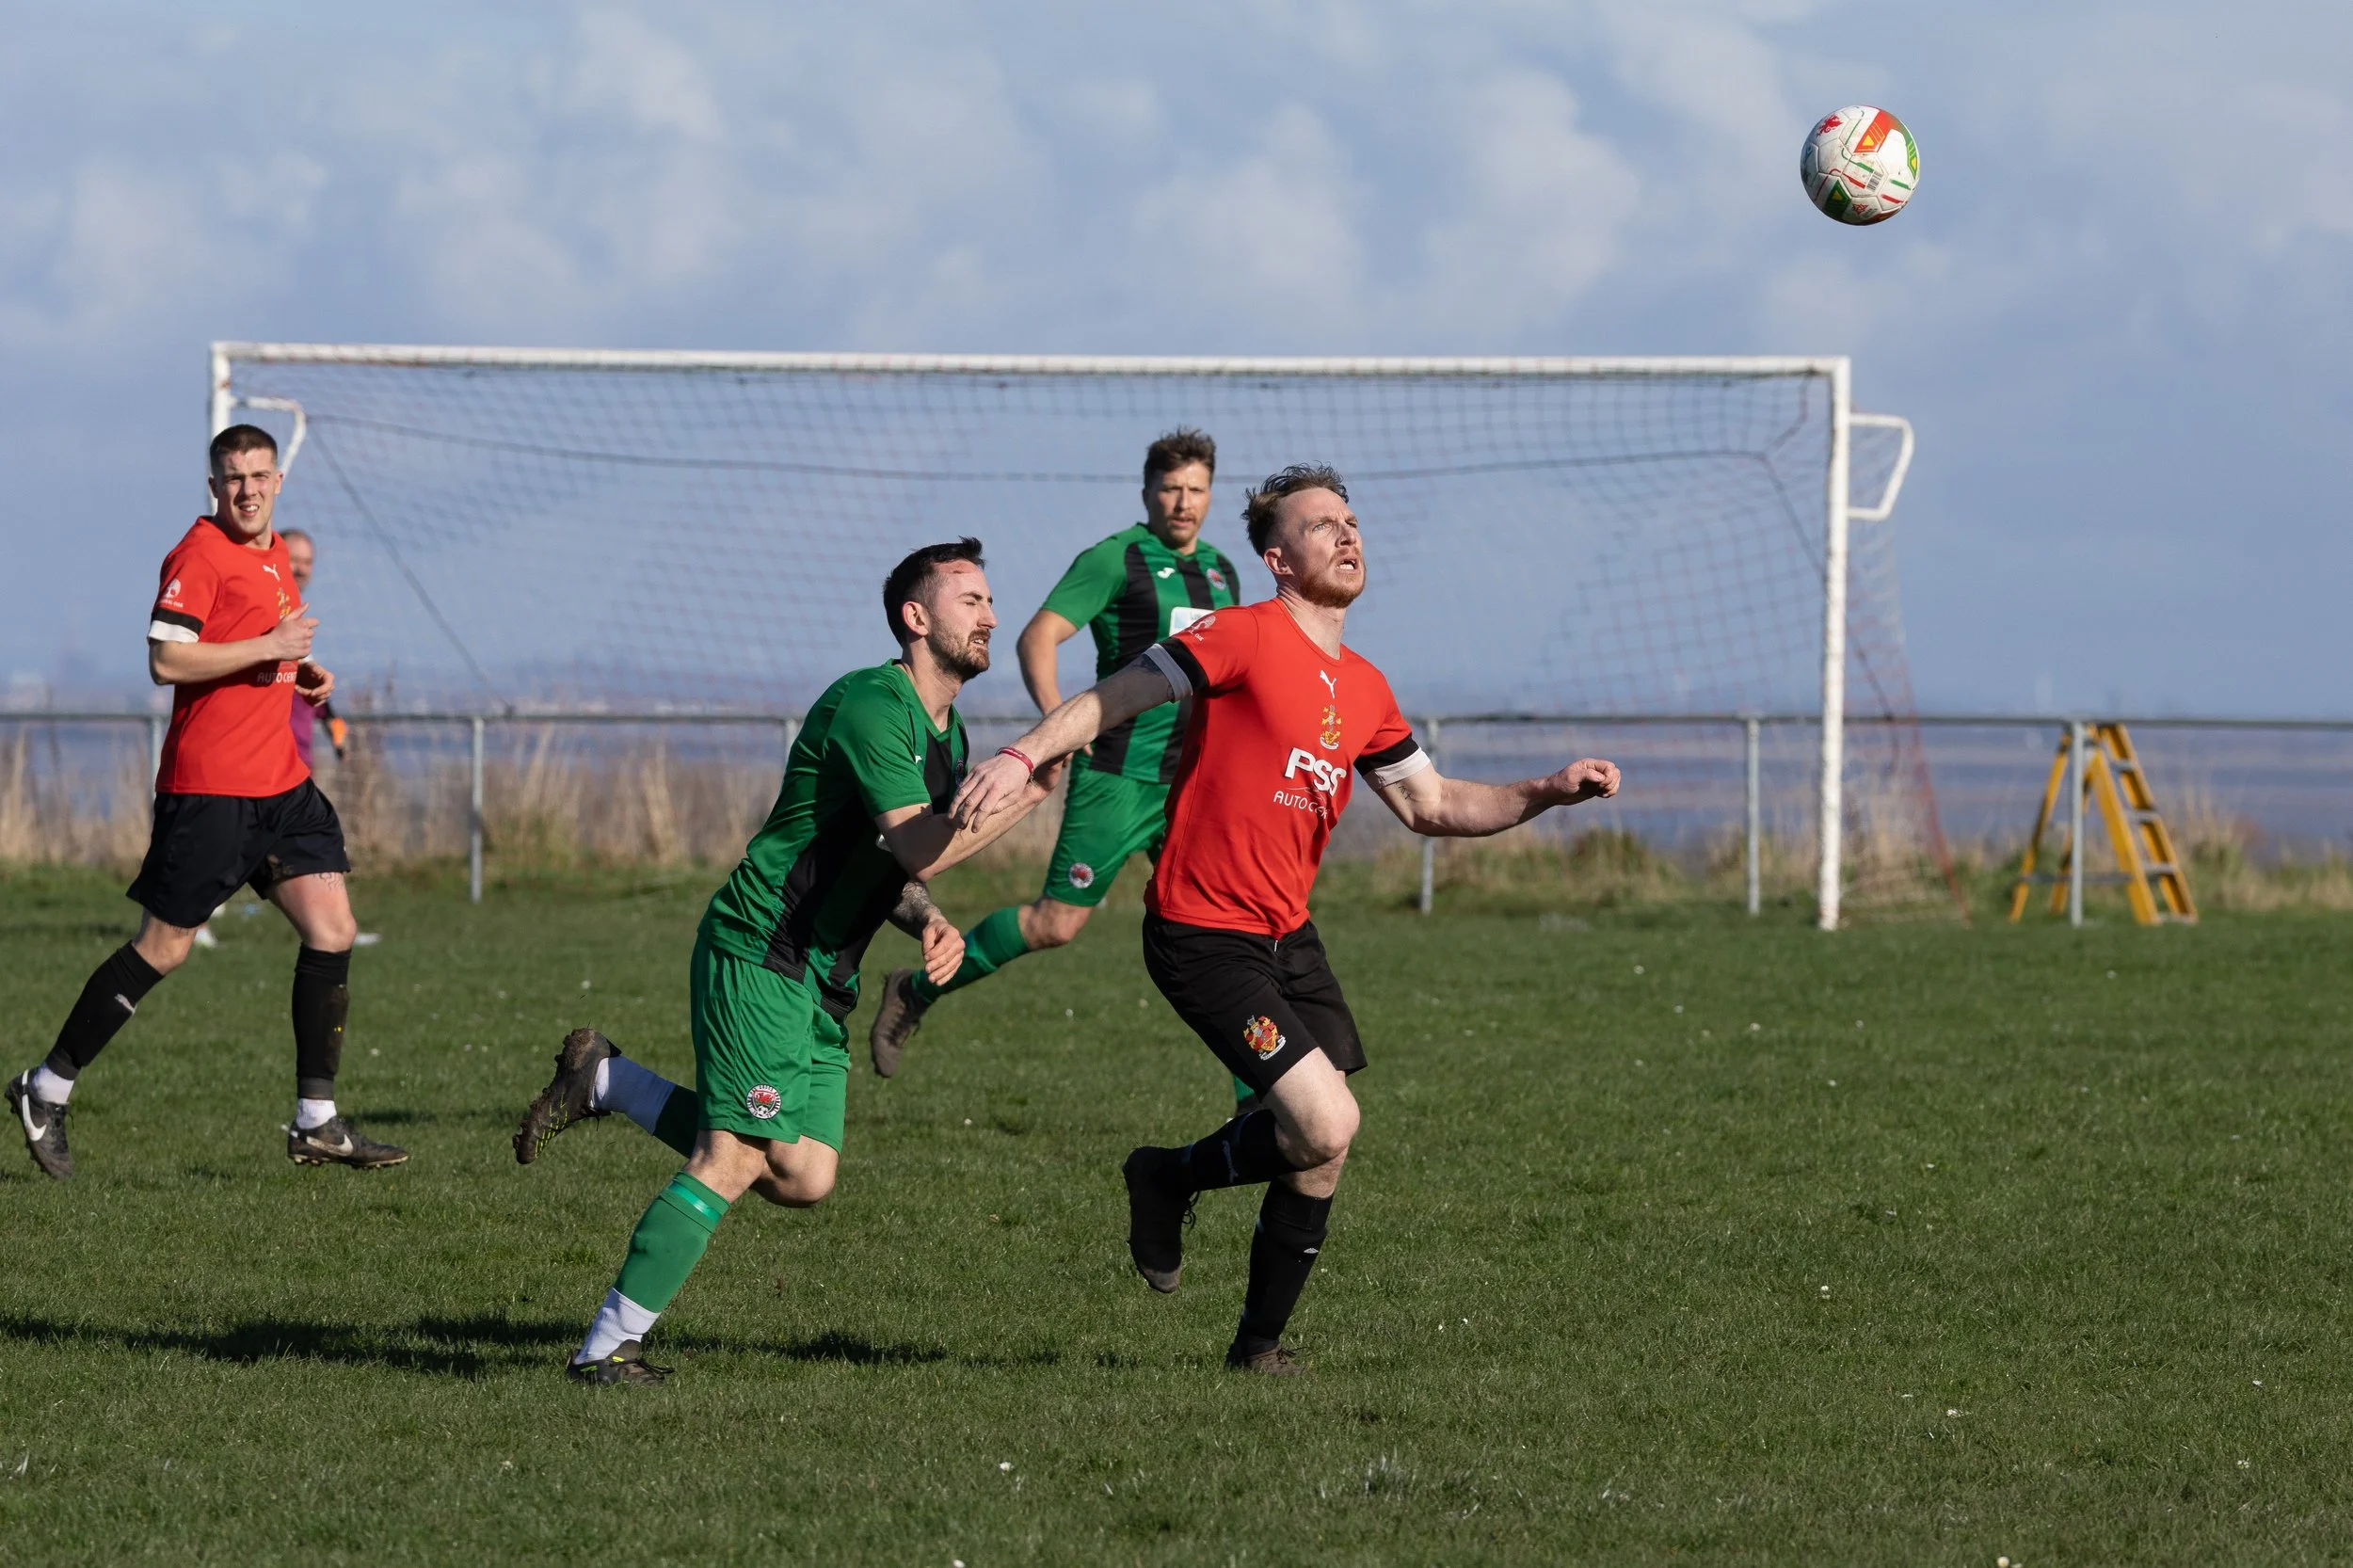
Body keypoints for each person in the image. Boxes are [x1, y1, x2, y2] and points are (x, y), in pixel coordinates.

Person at [952, 465, 1621, 1374]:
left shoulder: (1369, 688)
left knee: (1321, 1146)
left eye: (1351, 521)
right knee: (1326, 1121)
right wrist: (1021, 754)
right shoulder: (1239, 636)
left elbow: (1430, 805)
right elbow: (1113, 697)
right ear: (1277, 559)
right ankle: (1170, 1178)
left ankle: (1253, 1347)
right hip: (1201, 931)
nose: (1347, 535)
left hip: (1286, 933)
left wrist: (1545, 791)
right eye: (1320, 526)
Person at [512, 538, 1060, 1384]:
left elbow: (892, 860)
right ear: (916, 619)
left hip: (819, 977)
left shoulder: (944, 737)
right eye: (970, 600)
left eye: (992, 600)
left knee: (803, 1173)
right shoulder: (874, 704)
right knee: (731, 1158)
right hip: (765, 948)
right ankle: (605, 1349)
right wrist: (1026, 790)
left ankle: (607, 1081)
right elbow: (921, 841)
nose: (991, 615)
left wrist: (929, 921)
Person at [7, 425, 406, 1178]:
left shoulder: (275, 552)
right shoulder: (199, 554)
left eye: (258, 476)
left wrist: (304, 672)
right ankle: (46, 1086)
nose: (247, 490)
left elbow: (267, 640)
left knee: (333, 927)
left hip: (280, 787)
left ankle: (315, 1121)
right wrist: (270, 650)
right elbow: (166, 659)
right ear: (213, 485)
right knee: (164, 948)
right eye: (232, 479)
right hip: (212, 791)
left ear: (278, 480)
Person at [865, 428, 1245, 1089]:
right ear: (1148, 491)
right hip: (1117, 776)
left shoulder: (1221, 571)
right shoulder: (1116, 558)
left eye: (1197, 490)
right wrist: (1058, 723)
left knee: (1227, 924)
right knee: (1055, 925)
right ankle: (917, 989)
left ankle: (1261, 1093)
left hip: (1191, 780)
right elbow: (1040, 636)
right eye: (1171, 488)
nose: (1183, 502)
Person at [279, 530, 347, 771]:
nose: (301, 569)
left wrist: (330, 718)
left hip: (299, 765)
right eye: (293, 559)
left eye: (307, 562)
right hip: (269, 764)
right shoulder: (264, 613)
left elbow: (302, 679)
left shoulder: (295, 614)